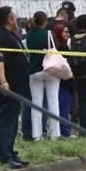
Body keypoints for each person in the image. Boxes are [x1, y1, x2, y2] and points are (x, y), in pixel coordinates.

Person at [0, 6, 30, 168]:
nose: (16, 20)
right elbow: (0, 60)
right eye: (14, 17)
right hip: (7, 87)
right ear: (9, 19)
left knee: (12, 121)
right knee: (6, 120)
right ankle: (4, 155)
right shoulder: (0, 36)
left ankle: (10, 151)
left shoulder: (10, 35)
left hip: (17, 87)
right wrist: (3, 81)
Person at [26, 11, 60, 140]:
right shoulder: (49, 34)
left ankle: (36, 134)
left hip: (34, 71)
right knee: (53, 102)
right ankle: (54, 134)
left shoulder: (29, 35)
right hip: (50, 70)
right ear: (45, 21)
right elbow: (56, 48)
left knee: (36, 104)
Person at [53, 23, 74, 137]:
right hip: (63, 82)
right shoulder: (62, 47)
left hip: (60, 81)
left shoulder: (60, 46)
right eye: (65, 32)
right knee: (63, 108)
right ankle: (65, 131)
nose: (67, 34)